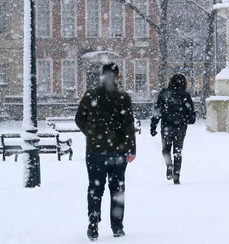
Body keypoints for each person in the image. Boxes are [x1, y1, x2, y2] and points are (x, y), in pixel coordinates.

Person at [75, 63, 137, 241]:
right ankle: (117, 226)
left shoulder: (91, 95)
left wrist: (92, 133)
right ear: (117, 77)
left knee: (95, 187)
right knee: (117, 189)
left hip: (95, 151)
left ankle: (93, 220)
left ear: (102, 76)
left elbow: (79, 119)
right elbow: (128, 125)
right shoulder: (123, 97)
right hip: (117, 151)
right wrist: (131, 148)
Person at [150, 73, 197, 185]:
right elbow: (191, 115)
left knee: (166, 149)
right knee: (178, 151)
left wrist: (153, 125)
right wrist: (187, 118)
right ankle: (176, 176)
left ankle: (169, 164)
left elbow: (157, 111)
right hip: (180, 127)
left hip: (166, 126)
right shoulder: (185, 95)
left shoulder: (164, 94)